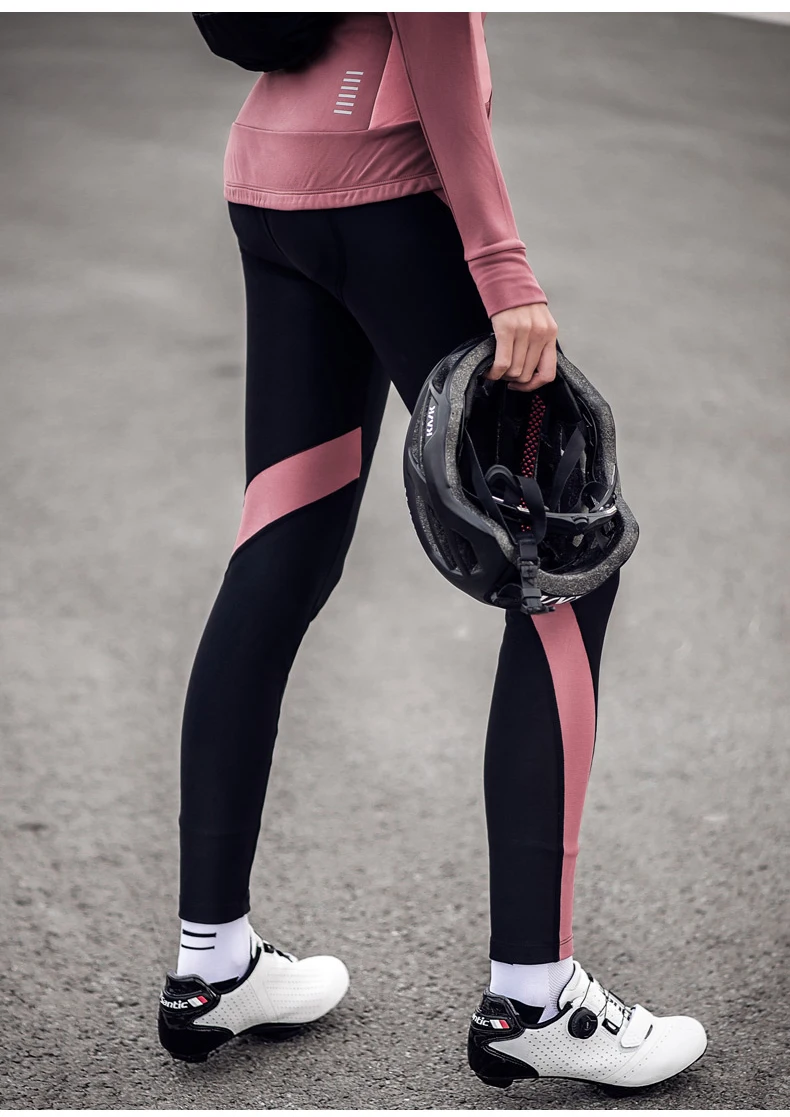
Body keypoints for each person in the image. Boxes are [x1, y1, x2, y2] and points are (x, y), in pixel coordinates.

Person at [158, 12, 707, 1090]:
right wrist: (504, 270)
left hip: (271, 178)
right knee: (565, 564)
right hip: (387, 194)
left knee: (282, 545)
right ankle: (533, 997)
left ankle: (211, 963)